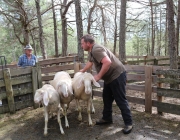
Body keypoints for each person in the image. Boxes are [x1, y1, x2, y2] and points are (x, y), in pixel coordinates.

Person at [80, 34, 133, 134]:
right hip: (109, 78)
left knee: (120, 100)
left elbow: (107, 62)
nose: (81, 46)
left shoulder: (96, 49)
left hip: (117, 75)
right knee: (106, 97)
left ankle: (129, 123)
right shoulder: (91, 52)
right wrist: (83, 70)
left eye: (82, 44)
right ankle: (107, 118)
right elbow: (90, 62)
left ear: (88, 43)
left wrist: (98, 76)